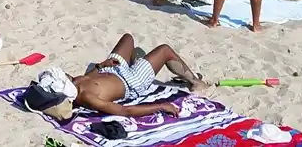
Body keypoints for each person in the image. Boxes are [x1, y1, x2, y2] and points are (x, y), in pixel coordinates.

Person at [69, 33, 209, 117]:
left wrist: (102, 65)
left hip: (110, 70)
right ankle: (194, 81)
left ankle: (138, 62)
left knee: (127, 38)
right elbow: (126, 111)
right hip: (131, 81)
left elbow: (88, 78)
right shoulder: (88, 97)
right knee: (165, 50)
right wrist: (161, 106)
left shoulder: (73, 83)